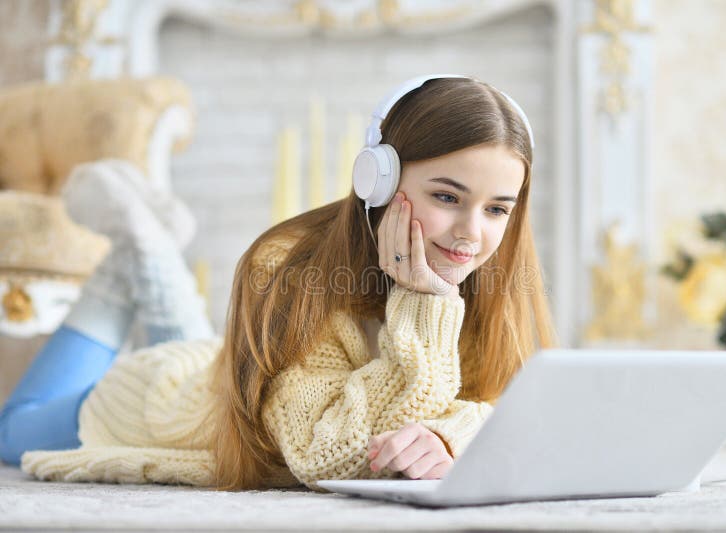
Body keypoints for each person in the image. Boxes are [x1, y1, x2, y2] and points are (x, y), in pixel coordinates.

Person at [0, 74, 556, 491]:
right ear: (378, 180)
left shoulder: (490, 284)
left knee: (202, 351)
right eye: (447, 197)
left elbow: (510, 417)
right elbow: (325, 457)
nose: (470, 234)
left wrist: (450, 435)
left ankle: (147, 253)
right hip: (163, 403)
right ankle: (137, 255)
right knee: (12, 433)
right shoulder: (288, 268)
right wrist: (427, 302)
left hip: (234, 374)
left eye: (497, 209)